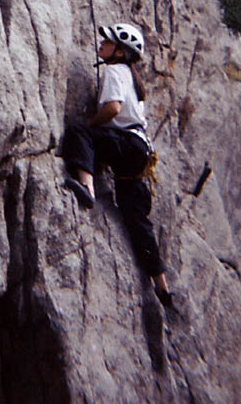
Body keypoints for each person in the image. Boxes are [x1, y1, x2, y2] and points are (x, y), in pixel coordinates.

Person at [62, 22, 172, 307]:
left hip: (127, 143)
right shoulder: (133, 79)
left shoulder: (113, 70)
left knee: (79, 133)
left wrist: (89, 124)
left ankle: (86, 187)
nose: (102, 45)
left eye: (108, 42)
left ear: (120, 52)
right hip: (139, 150)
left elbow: (112, 109)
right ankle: (162, 285)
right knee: (136, 217)